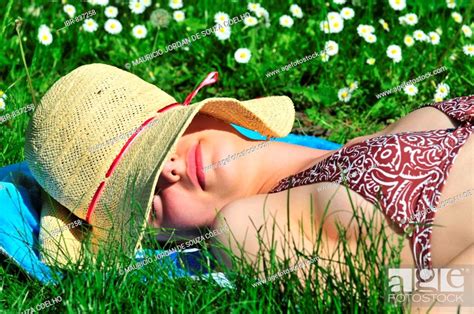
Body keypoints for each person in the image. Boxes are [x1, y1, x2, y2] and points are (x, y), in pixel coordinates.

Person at [26, 64, 473, 287]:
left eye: (164, 138)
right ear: (160, 238)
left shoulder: (365, 144)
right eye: (149, 195)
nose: (170, 168)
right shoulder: (245, 231)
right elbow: (437, 296)